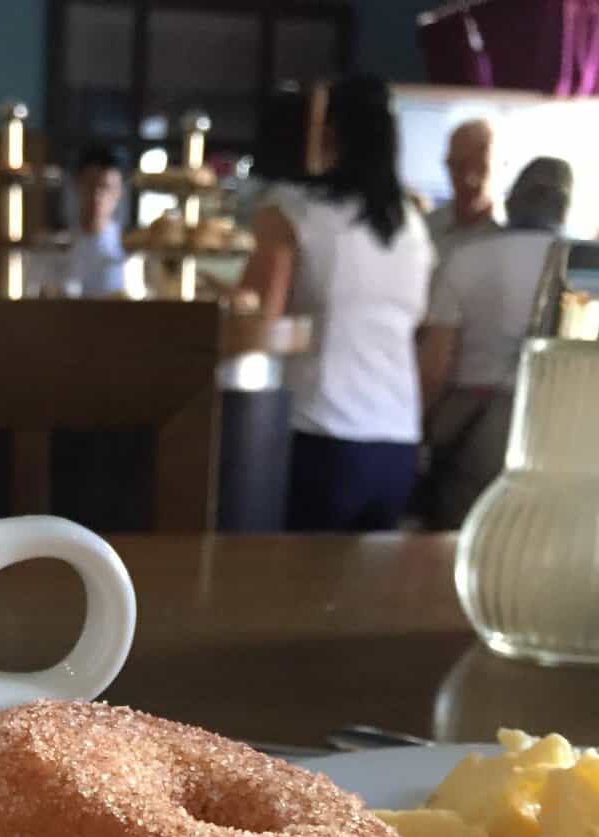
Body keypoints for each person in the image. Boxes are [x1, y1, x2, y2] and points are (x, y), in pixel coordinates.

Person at [241, 74, 434, 533]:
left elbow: (255, 319)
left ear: (329, 133)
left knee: (295, 591)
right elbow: (420, 319)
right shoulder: (413, 225)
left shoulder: (292, 209)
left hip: (319, 433)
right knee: (364, 598)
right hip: (396, 442)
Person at [419, 157, 574, 531]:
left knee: (462, 537)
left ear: (511, 200)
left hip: (476, 428)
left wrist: (422, 433)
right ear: (564, 206)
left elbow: (435, 368)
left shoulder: (468, 259)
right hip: (561, 429)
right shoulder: (585, 267)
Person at [30, 145, 126, 297]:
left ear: (119, 191)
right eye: (90, 185)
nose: (97, 196)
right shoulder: (50, 244)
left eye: (105, 187)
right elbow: (33, 292)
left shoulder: (129, 248)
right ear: (76, 186)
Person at [426, 119, 501, 259]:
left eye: (480, 167)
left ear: (500, 167)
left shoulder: (511, 235)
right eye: (459, 166)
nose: (469, 180)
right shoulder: (424, 232)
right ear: (448, 165)